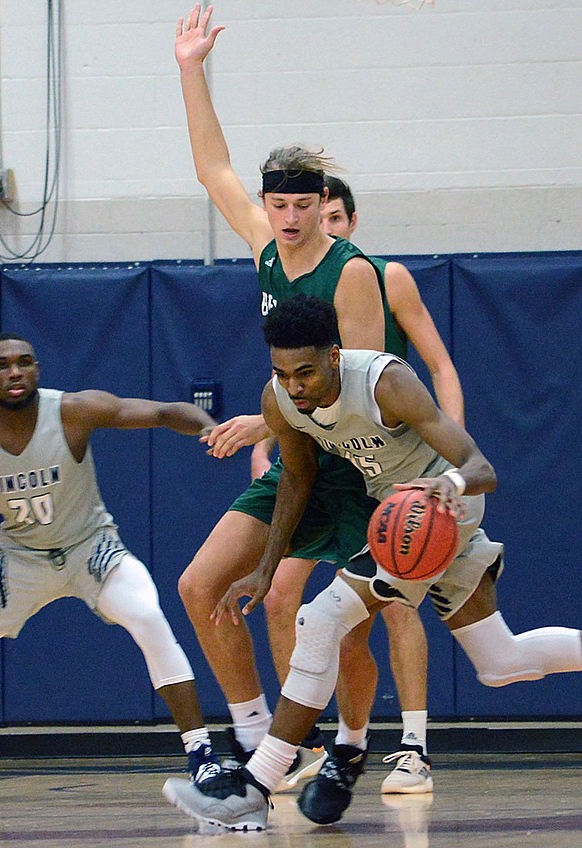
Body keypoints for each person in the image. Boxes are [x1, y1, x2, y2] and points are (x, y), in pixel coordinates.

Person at [162, 294, 582, 832]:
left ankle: (254, 785)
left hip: (440, 507)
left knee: (319, 620)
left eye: (306, 372)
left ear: (335, 356)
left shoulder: (387, 384)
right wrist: (266, 567)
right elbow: (297, 477)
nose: (294, 386)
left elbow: (481, 467)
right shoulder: (282, 399)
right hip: (402, 520)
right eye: (282, 373)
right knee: (502, 661)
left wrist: (441, 486)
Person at [175, 3, 414, 791]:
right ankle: (253, 738)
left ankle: (349, 743)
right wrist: (190, 68)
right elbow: (213, 170)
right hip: (297, 451)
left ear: (322, 206)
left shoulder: (349, 272)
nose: (284, 218)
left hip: (353, 467)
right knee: (200, 585)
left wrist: (267, 415)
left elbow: (359, 390)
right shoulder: (261, 244)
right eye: (276, 205)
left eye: (299, 206)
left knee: (331, 627)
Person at [256, 174, 466, 794]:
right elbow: (300, 395)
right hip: (331, 453)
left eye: (335, 218)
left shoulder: (381, 276)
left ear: (340, 219)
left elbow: (438, 366)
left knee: (395, 601)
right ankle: (318, 746)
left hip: (395, 462)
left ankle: (412, 745)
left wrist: (454, 455)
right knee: (287, 600)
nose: (325, 229)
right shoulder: (289, 283)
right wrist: (270, 436)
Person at [0, 334, 223, 791]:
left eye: (24, 363)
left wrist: (208, 425)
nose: (14, 372)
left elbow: (160, 412)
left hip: (92, 549)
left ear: (38, 368)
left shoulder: (73, 411)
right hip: (19, 562)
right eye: (2, 365)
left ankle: (201, 752)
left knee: (147, 617)